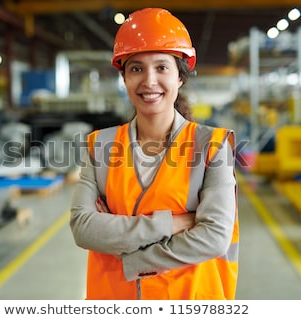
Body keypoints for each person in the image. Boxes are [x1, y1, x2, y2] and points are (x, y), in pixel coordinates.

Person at [70, 7, 239, 300]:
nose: (149, 81)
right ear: (124, 78)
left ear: (180, 77)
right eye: (136, 68)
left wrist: (136, 260)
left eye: (162, 67)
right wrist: (174, 223)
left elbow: (213, 238)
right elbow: (84, 228)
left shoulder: (213, 146)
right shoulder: (100, 146)